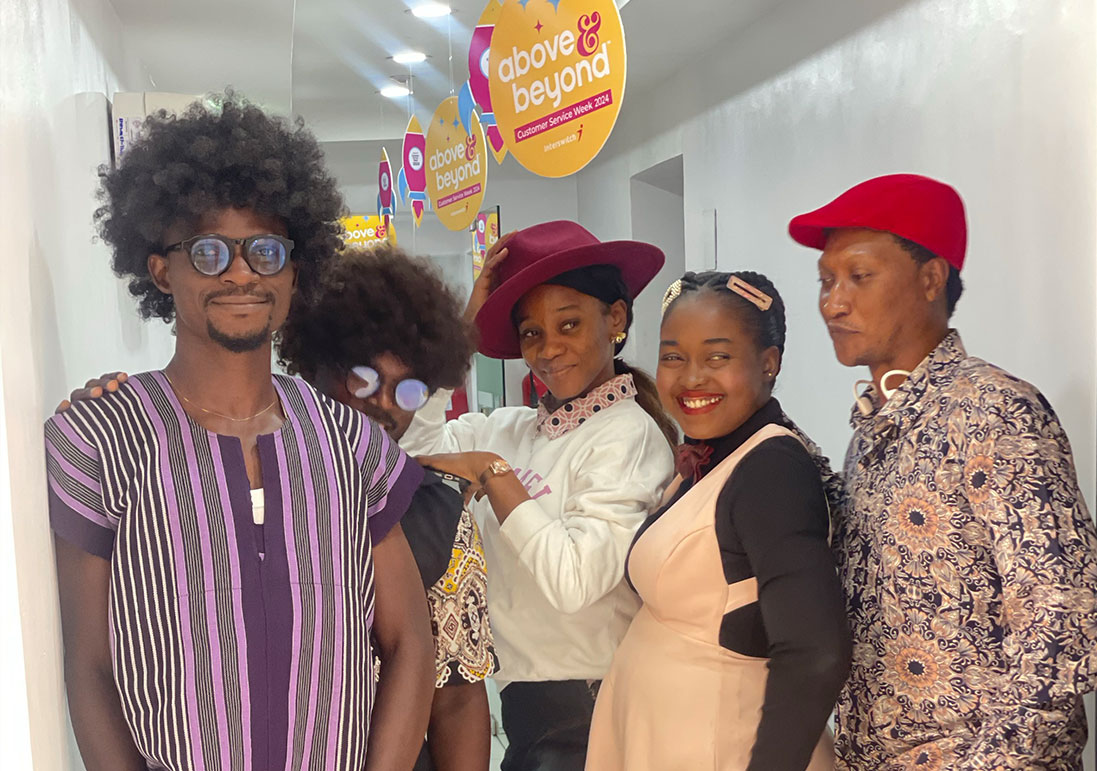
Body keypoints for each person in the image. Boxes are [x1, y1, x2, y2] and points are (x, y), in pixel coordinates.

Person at [44, 94, 434, 771]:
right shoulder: (99, 443)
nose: (241, 272)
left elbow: (410, 645)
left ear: (294, 270)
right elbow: (89, 666)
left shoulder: (352, 445)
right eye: (208, 251)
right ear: (161, 269)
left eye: (265, 250)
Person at [788, 173, 1097, 769]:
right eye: (826, 280)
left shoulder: (992, 410)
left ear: (931, 279)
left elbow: (1062, 620)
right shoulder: (872, 431)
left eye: (858, 276)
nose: (833, 302)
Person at [399, 220, 677, 770]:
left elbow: (573, 582)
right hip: (526, 710)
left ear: (615, 319)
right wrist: (459, 336)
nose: (549, 349)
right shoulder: (511, 429)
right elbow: (407, 450)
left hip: (594, 717)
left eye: (569, 324)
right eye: (531, 333)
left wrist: (493, 474)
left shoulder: (627, 435)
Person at [587, 270, 851, 771]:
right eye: (673, 357)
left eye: (717, 357)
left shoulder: (770, 469)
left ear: (769, 363)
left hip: (724, 747)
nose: (691, 378)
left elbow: (814, 652)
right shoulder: (713, 456)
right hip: (669, 736)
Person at [278, 245, 499, 771]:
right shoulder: (249, 485)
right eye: (364, 377)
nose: (383, 403)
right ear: (315, 364)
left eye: (409, 389)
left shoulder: (439, 513)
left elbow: (458, 699)